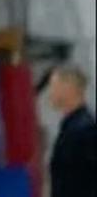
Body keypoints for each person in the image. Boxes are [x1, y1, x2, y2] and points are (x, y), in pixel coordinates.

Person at [46, 63, 97, 197]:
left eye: (53, 86)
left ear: (68, 88)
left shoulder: (85, 130)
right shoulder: (71, 127)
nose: (50, 92)